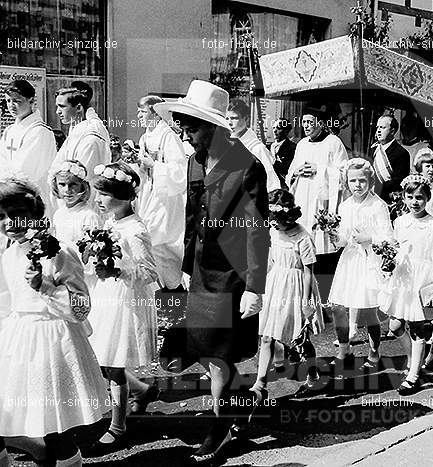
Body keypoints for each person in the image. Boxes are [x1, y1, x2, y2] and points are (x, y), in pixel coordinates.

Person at [153, 80, 270, 464]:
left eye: (192, 126)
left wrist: (255, 286)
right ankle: (238, 402)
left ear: (214, 125)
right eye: (183, 126)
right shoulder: (193, 161)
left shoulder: (247, 166)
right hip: (202, 271)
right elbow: (192, 218)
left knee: (216, 353)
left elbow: (256, 229)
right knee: (206, 351)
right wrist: (187, 267)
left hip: (233, 275)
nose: (186, 133)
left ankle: (221, 423)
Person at [0, 176, 106, 467]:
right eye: (1, 217)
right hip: (19, 343)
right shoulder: (9, 254)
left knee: (56, 429)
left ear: (34, 214)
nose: (9, 223)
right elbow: (6, 303)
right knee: (23, 419)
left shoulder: (58, 251)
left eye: (17, 215)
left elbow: (81, 308)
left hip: (53, 344)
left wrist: (45, 286)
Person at [85, 162, 159, 455]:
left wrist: (118, 266)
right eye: (98, 193)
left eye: (105, 194)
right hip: (108, 297)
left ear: (125, 196)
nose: (99, 200)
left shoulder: (136, 229)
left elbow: (150, 272)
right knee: (101, 358)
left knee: (114, 366)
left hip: (126, 301)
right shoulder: (112, 223)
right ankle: (142, 389)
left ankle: (117, 426)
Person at [253, 189, 324, 398]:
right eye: (271, 219)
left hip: (297, 288)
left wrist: (305, 302)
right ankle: (260, 384)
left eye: (277, 220)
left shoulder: (302, 237)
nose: (273, 224)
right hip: (276, 285)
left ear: (288, 216)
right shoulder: (274, 233)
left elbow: (309, 273)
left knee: (300, 338)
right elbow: (271, 261)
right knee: (267, 336)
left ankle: (313, 375)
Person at [386, 174, 433, 393]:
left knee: (417, 328)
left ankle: (414, 374)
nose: (415, 201)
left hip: (423, 280)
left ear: (428, 198)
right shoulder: (400, 222)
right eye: (410, 196)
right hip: (403, 278)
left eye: (420, 197)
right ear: (403, 197)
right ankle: (413, 358)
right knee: (395, 325)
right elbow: (396, 248)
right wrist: (388, 262)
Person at [328, 159, 392, 370]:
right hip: (350, 260)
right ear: (347, 183)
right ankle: (344, 348)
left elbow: (389, 238)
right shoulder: (345, 206)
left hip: (369, 260)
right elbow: (343, 239)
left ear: (370, 181)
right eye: (353, 181)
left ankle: (374, 352)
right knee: (338, 306)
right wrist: (334, 236)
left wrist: (370, 238)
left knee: (368, 310)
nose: (357, 185)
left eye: (362, 181)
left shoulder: (378, 205)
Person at [285, 104, 348, 301]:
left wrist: (319, 170)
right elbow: (290, 173)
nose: (306, 126)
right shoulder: (302, 144)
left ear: (320, 123)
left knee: (323, 251)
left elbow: (344, 174)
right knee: (305, 248)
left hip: (323, 205)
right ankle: (306, 294)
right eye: (303, 122)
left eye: (310, 122)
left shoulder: (333, 142)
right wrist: (296, 173)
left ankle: (325, 297)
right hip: (304, 201)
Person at [135, 95, 188, 291]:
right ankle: (157, 292)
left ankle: (173, 291)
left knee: (160, 243)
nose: (138, 115)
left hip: (165, 199)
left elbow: (180, 172)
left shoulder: (168, 136)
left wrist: (155, 166)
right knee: (150, 242)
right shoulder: (145, 137)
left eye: (143, 111)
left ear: (156, 113)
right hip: (149, 194)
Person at [0, 80, 56, 214]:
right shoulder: (9, 130)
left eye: (17, 101)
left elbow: (26, 170)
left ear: (31, 101)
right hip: (7, 193)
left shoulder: (40, 132)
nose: (11, 106)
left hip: (31, 196)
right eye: (8, 101)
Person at [52, 87, 110, 181]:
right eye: (57, 107)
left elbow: (85, 179)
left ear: (78, 107)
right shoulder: (75, 132)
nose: (57, 111)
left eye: (62, 106)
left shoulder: (90, 140)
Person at [49, 160, 100, 260]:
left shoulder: (89, 216)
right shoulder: (59, 214)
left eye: (73, 184)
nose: (67, 190)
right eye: (62, 184)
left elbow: (93, 255)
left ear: (82, 186)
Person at [227, 99, 281, 192]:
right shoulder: (227, 145)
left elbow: (271, 182)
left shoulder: (257, 149)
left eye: (234, 118)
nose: (229, 123)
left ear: (246, 119)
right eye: (227, 118)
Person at [370, 115, 411, 203]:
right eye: (378, 127)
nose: (378, 131)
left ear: (392, 131)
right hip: (371, 196)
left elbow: (400, 180)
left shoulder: (401, 153)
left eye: (383, 127)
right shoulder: (373, 149)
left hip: (388, 199)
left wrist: (376, 186)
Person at [269, 118, 297, 188]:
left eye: (278, 128)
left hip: (283, 185)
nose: (275, 131)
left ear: (286, 131)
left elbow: (288, 169)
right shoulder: (268, 147)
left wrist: (272, 161)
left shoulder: (292, 147)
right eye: (274, 128)